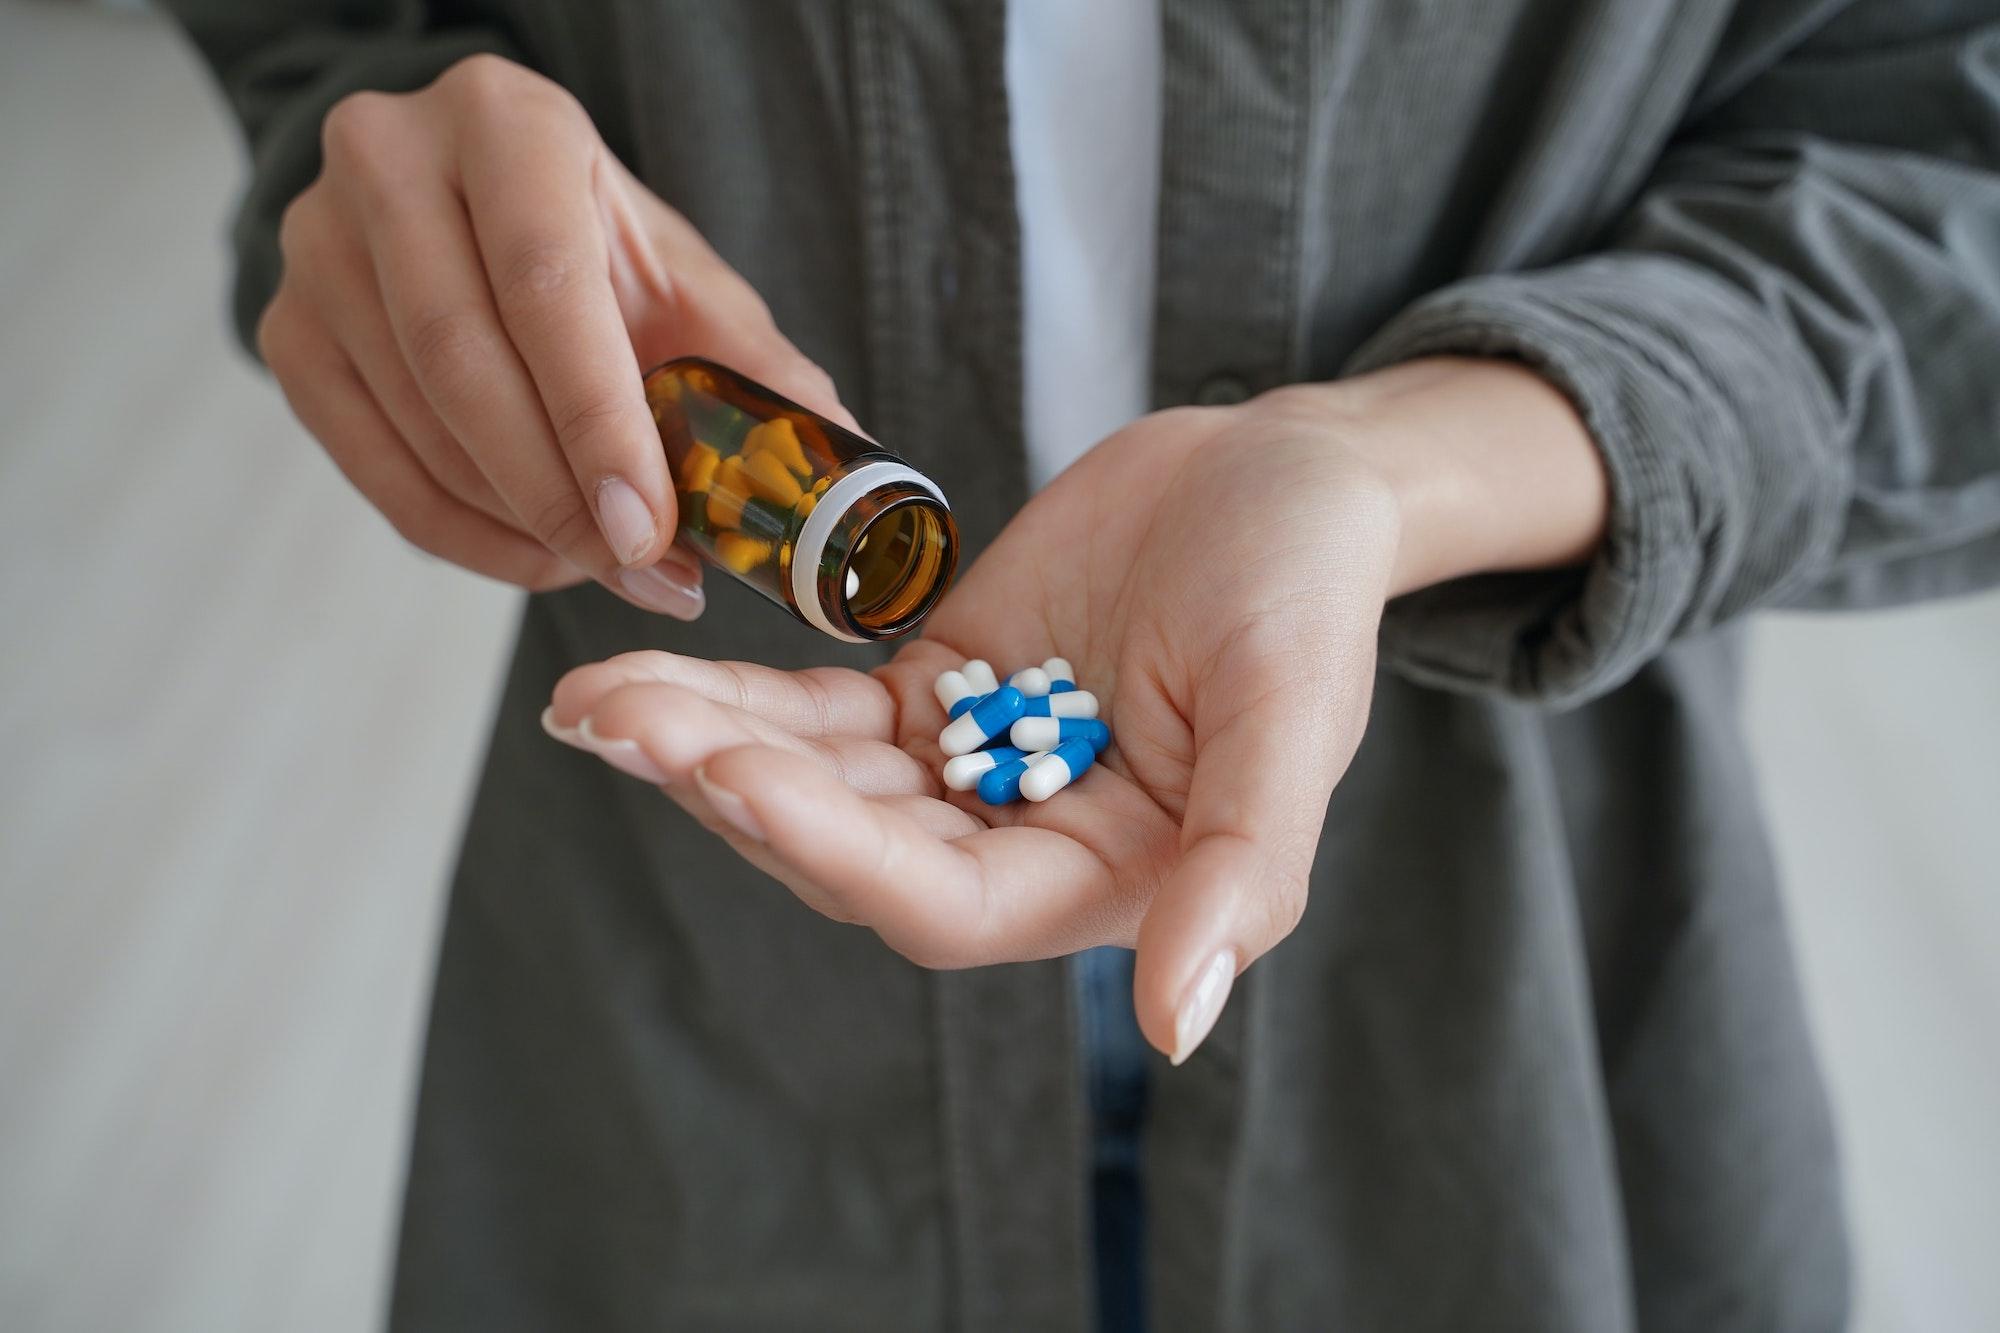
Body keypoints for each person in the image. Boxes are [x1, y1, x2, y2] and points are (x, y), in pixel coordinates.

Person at [165, 1, 2000, 1329]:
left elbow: (1945, 180)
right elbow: (308, 37)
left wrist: (1391, 469)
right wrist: (388, 144)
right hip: (713, 982)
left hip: (1504, 977)